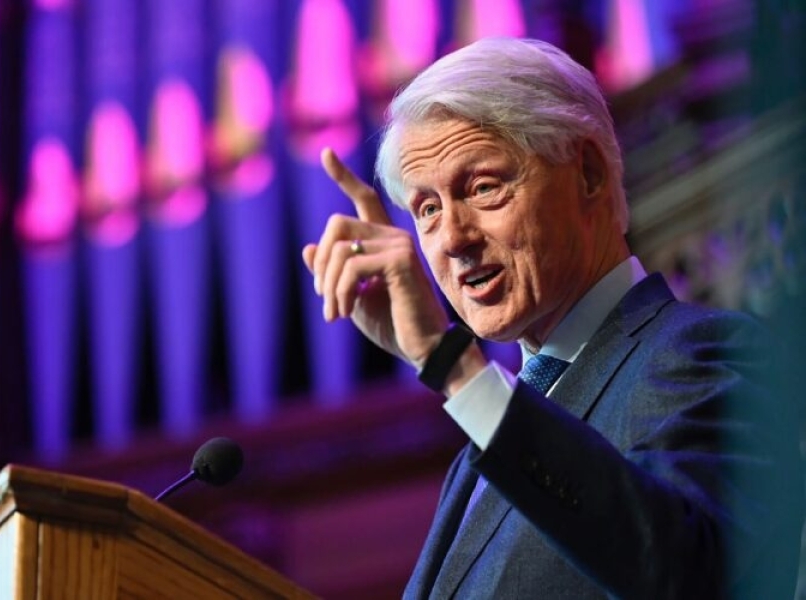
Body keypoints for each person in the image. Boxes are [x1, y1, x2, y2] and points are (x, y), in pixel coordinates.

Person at [302, 36, 804, 599]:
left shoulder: (703, 353)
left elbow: (683, 571)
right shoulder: (480, 454)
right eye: (428, 209)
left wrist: (453, 366)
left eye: (483, 187)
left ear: (587, 173)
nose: (453, 239)